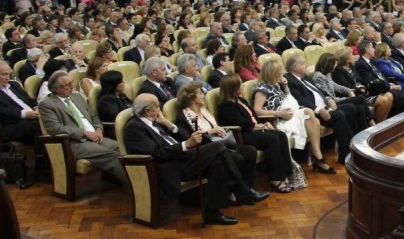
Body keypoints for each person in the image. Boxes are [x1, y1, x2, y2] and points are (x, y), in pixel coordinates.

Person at [123, 93, 268, 226]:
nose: (160, 108)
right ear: (147, 111)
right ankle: (242, 189)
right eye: (157, 106)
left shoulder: (154, 121)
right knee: (217, 148)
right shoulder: (134, 127)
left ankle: (212, 212)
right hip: (171, 167)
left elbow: (182, 135)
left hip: (181, 159)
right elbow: (157, 153)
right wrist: (186, 145)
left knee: (219, 164)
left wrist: (167, 124)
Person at [38, 71, 128, 185]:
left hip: (95, 136)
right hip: (75, 142)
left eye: (72, 83)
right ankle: (137, 188)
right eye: (68, 85)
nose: (73, 86)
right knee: (112, 156)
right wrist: (84, 133)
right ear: (57, 89)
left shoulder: (77, 96)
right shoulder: (47, 104)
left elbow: (93, 116)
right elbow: (54, 128)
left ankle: (114, 179)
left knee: (123, 149)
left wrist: (99, 130)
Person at [252, 60, 335, 174]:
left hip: (287, 116)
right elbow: (257, 110)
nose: (282, 73)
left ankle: (317, 157)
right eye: (279, 71)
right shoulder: (262, 89)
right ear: (273, 72)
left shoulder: (276, 85)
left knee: (314, 119)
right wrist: (278, 113)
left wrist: (285, 86)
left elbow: (288, 99)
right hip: (276, 120)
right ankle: (318, 158)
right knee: (309, 113)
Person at [173, 82, 260, 191]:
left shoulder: (204, 111)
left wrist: (219, 129)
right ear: (191, 98)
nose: (204, 95)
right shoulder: (183, 117)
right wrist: (210, 132)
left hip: (222, 143)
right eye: (200, 93)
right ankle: (236, 191)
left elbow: (216, 127)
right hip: (208, 150)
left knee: (250, 151)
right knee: (238, 158)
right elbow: (190, 139)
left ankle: (249, 188)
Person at [216, 75, 294, 193]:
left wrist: (264, 124)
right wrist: (261, 126)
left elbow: (254, 117)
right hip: (242, 135)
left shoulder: (241, 100)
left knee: (281, 135)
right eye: (240, 83)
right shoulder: (226, 106)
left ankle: (287, 174)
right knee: (272, 139)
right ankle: (276, 179)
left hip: (254, 130)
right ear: (233, 87)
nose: (243, 85)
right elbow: (242, 124)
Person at [331, 47, 392, 123]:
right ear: (346, 58)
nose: (354, 56)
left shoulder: (352, 67)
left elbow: (361, 79)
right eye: (351, 55)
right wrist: (358, 88)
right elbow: (344, 85)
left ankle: (383, 121)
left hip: (363, 91)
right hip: (355, 95)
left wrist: (366, 85)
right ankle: (378, 123)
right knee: (383, 100)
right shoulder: (338, 70)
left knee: (389, 95)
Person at [312, 53, 372, 129]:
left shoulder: (327, 74)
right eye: (334, 63)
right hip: (332, 104)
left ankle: (363, 131)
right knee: (360, 98)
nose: (335, 65)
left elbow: (337, 86)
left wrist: (348, 91)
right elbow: (328, 98)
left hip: (335, 101)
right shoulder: (319, 77)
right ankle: (372, 123)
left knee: (359, 107)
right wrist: (348, 99)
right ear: (329, 64)